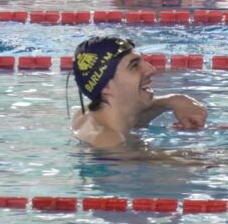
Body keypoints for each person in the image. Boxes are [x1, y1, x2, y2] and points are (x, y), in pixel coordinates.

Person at [71, 36, 208, 149]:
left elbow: (134, 111)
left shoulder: (87, 115)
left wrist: (175, 100)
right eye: (134, 66)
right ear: (105, 86)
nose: (151, 69)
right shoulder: (108, 140)